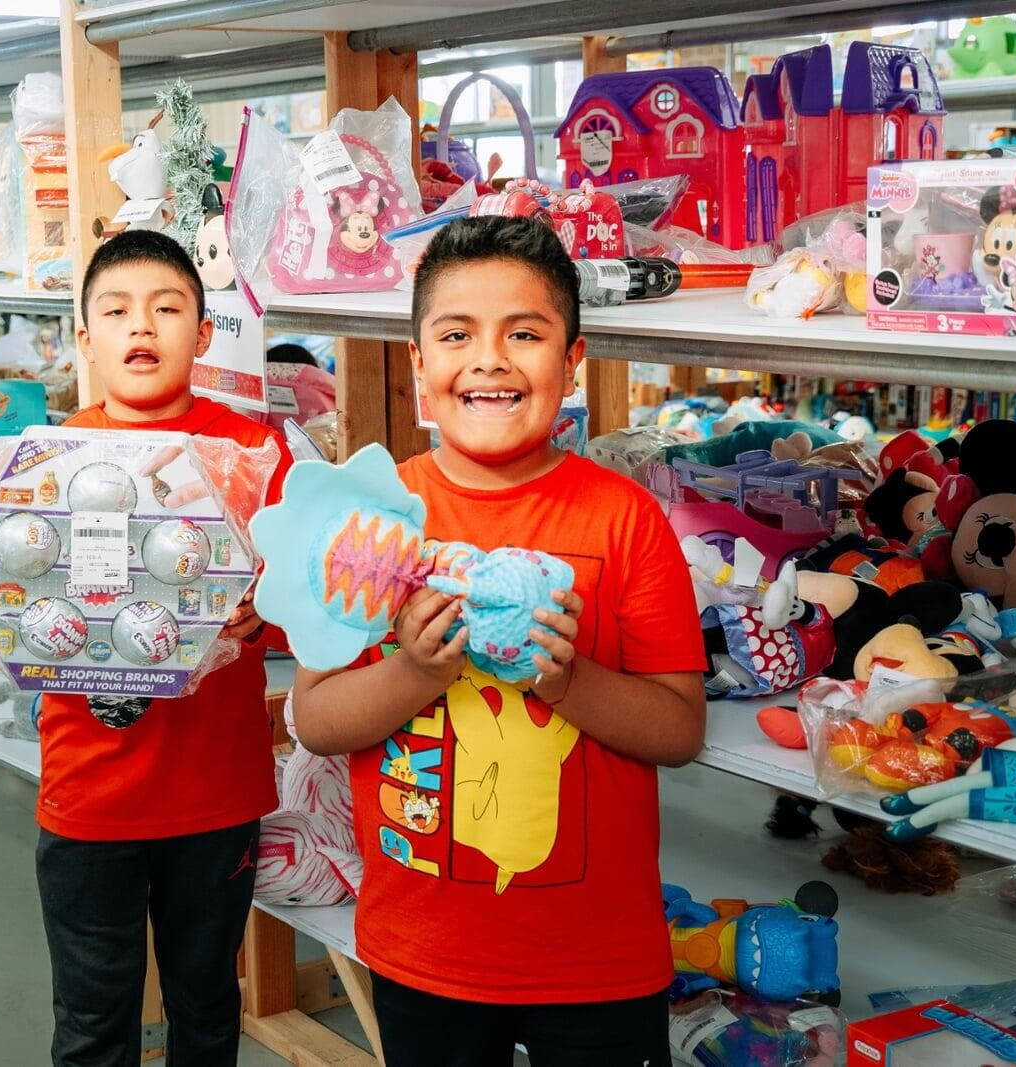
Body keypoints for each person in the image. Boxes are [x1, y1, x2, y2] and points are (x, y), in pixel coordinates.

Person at [290, 216, 707, 1066]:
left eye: (525, 333)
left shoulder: (624, 518)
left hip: (597, 962)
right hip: (424, 953)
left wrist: (567, 681)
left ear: (574, 362)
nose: (488, 359)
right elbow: (316, 720)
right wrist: (414, 669)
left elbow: (679, 730)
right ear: (417, 367)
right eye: (456, 334)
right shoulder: (371, 520)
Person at [0, 230, 291, 1067]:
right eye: (115, 310)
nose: (142, 325)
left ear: (203, 333)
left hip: (215, 792)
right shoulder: (43, 462)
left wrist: (265, 611)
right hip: (88, 791)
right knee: (92, 1020)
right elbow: (23, 610)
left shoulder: (251, 457)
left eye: (168, 307)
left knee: (207, 1009)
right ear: (84, 339)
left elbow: (306, 607)